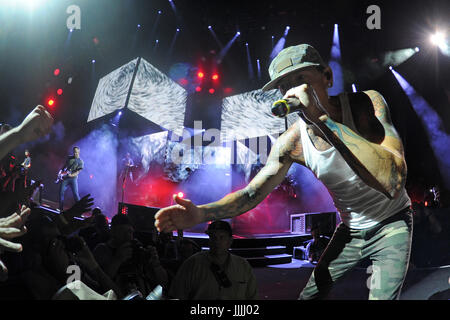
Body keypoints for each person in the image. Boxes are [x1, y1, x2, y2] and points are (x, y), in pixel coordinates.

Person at [155, 44, 413, 300]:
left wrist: (322, 120)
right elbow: (251, 193)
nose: (293, 90)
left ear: (327, 77)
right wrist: (202, 212)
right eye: (284, 85)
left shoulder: (365, 104)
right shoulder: (292, 142)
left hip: (392, 223)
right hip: (350, 230)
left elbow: (393, 181)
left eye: (301, 78)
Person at [168, 220, 257, 300]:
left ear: (230, 241)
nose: (217, 241)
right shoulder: (192, 264)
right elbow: (177, 294)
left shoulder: (243, 266)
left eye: (221, 237)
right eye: (213, 237)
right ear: (209, 240)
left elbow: (252, 297)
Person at [93, 214, 168, 297]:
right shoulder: (103, 249)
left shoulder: (137, 250)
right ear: (113, 232)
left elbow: (162, 282)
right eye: (123, 232)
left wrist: (155, 264)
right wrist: (118, 260)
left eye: (130, 232)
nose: (128, 236)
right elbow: (98, 282)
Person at [58, 146, 84, 211]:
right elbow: (64, 166)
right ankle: (60, 208)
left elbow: (77, 172)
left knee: (75, 194)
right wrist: (60, 172)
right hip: (66, 178)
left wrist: (71, 175)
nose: (75, 153)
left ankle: (80, 210)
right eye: (74, 152)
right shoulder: (69, 158)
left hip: (73, 179)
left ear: (79, 152)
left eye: (76, 152)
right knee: (61, 192)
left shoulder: (80, 162)